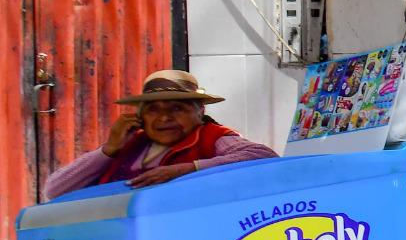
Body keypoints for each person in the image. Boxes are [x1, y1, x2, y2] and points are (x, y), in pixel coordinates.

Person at [41, 70, 277, 200]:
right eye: (154, 109)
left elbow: (262, 156)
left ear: (199, 112)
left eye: (177, 108)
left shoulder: (211, 136)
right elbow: (55, 190)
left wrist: (187, 170)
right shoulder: (131, 144)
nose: (164, 118)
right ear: (141, 116)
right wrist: (108, 150)